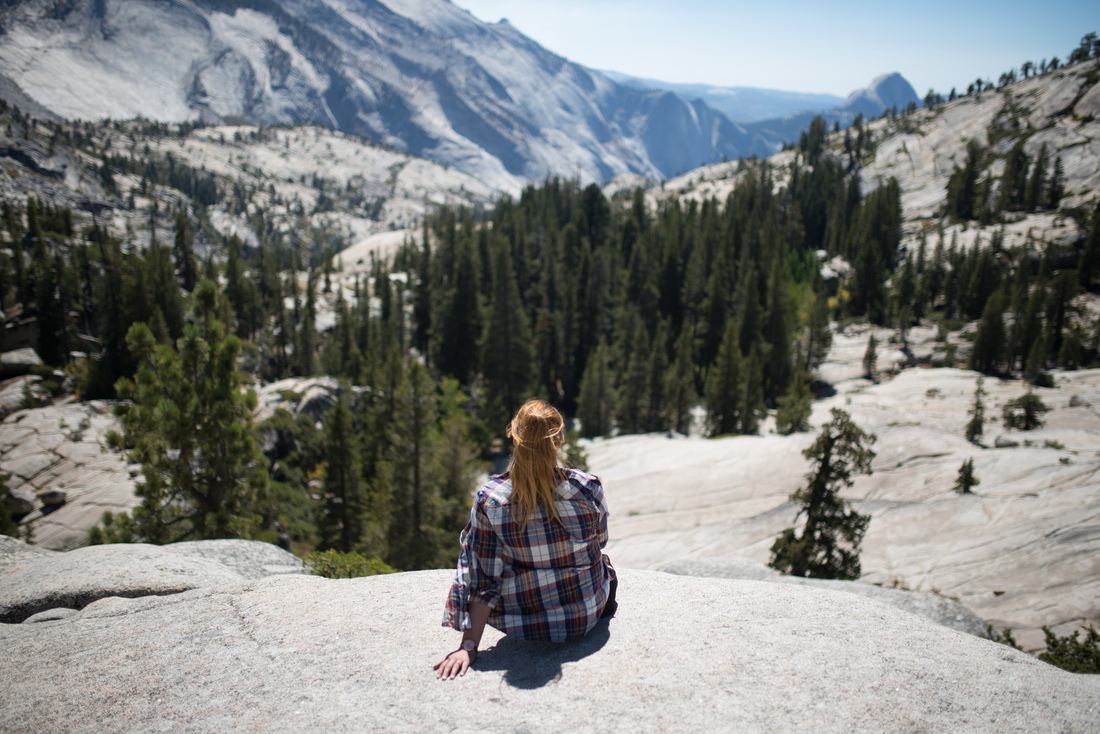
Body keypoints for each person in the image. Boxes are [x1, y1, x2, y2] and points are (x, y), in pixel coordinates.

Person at [434, 399, 617, 680]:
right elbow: (600, 541)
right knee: (606, 565)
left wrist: (468, 646)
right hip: (584, 617)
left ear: (514, 435)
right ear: (559, 440)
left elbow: (483, 578)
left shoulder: (492, 499)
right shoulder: (587, 487)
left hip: (523, 623)